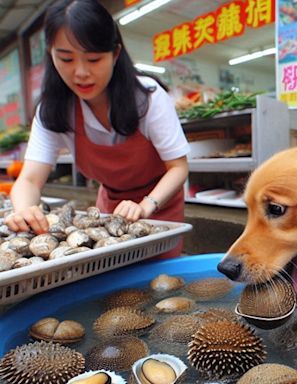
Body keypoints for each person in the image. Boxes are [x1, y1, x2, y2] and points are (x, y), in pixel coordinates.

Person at [5, 0, 190, 257]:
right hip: (108, 208)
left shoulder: (146, 96)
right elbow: (29, 179)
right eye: (66, 58)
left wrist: (147, 205)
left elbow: (178, 167)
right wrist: (24, 209)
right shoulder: (53, 109)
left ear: (115, 53)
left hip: (159, 204)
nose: (81, 72)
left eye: (93, 59)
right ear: (51, 54)